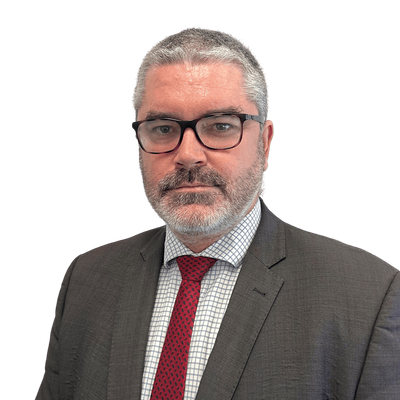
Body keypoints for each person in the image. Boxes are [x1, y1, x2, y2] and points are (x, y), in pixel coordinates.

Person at [36, 27, 399, 400]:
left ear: (265, 142)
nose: (188, 155)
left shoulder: (369, 295)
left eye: (220, 126)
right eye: (163, 128)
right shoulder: (87, 279)